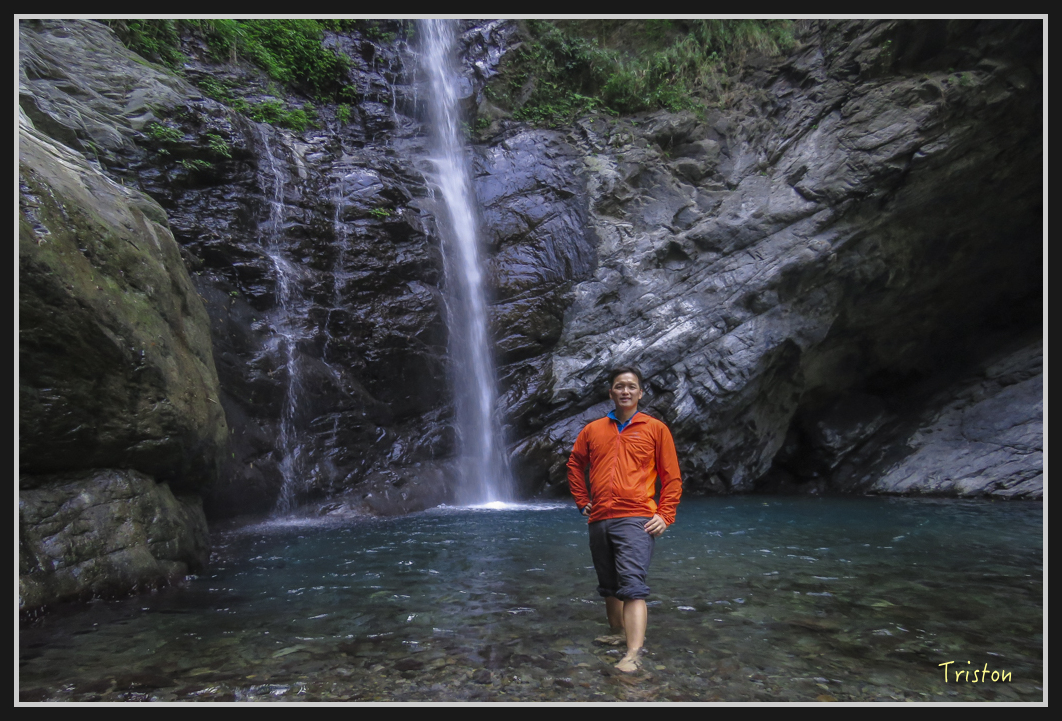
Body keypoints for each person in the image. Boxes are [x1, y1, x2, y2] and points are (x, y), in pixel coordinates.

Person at [566, 366, 682, 672]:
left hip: (636, 517)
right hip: (599, 517)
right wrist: (582, 501)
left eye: (631, 386)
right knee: (609, 585)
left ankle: (633, 653)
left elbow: (672, 476)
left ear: (640, 393)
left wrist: (665, 514)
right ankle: (618, 633)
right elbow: (575, 464)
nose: (625, 391)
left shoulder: (656, 429)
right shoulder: (593, 430)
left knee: (631, 583)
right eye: (620, 386)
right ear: (611, 393)